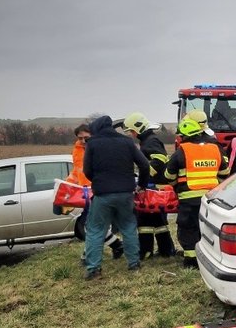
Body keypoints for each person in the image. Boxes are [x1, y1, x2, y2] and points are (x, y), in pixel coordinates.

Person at [82, 115, 151, 279]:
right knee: (128, 227)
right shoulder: (127, 142)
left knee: (96, 230)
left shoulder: (92, 144)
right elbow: (144, 165)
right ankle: (134, 264)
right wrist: (141, 185)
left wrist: (98, 181)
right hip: (126, 193)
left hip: (103, 194)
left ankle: (93, 270)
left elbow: (87, 171)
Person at [163, 118, 230, 268]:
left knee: (188, 228)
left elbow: (169, 176)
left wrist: (176, 186)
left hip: (188, 199)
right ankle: (211, 257)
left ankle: (191, 262)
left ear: (183, 136)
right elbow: (225, 172)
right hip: (211, 199)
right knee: (208, 228)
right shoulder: (214, 148)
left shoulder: (181, 151)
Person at [65, 123, 123, 260]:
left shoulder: (100, 148)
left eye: (86, 137)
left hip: (101, 191)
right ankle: (117, 246)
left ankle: (88, 256)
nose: (83, 141)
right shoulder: (77, 150)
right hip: (87, 193)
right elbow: (77, 172)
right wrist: (67, 184)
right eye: (80, 138)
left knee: (92, 226)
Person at [123, 112, 176, 259]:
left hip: (155, 187)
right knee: (156, 220)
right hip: (154, 186)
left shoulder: (151, 141)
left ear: (138, 128)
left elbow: (159, 159)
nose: (131, 134)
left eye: (132, 131)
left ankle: (148, 251)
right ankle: (165, 250)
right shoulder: (148, 140)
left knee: (146, 219)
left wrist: (145, 176)